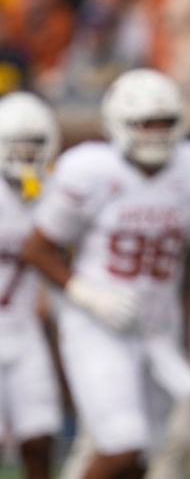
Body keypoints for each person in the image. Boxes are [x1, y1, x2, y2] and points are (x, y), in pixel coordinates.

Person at [21, 69, 190, 479]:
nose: (156, 133)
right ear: (119, 124)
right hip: (99, 324)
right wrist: (89, 296)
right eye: (146, 123)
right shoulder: (89, 170)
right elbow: (38, 247)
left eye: (164, 122)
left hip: (158, 327)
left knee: (142, 457)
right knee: (121, 447)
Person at [0, 92, 62, 479]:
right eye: (16, 145)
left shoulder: (57, 192)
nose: (25, 155)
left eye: (34, 145)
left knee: (40, 439)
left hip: (26, 329)